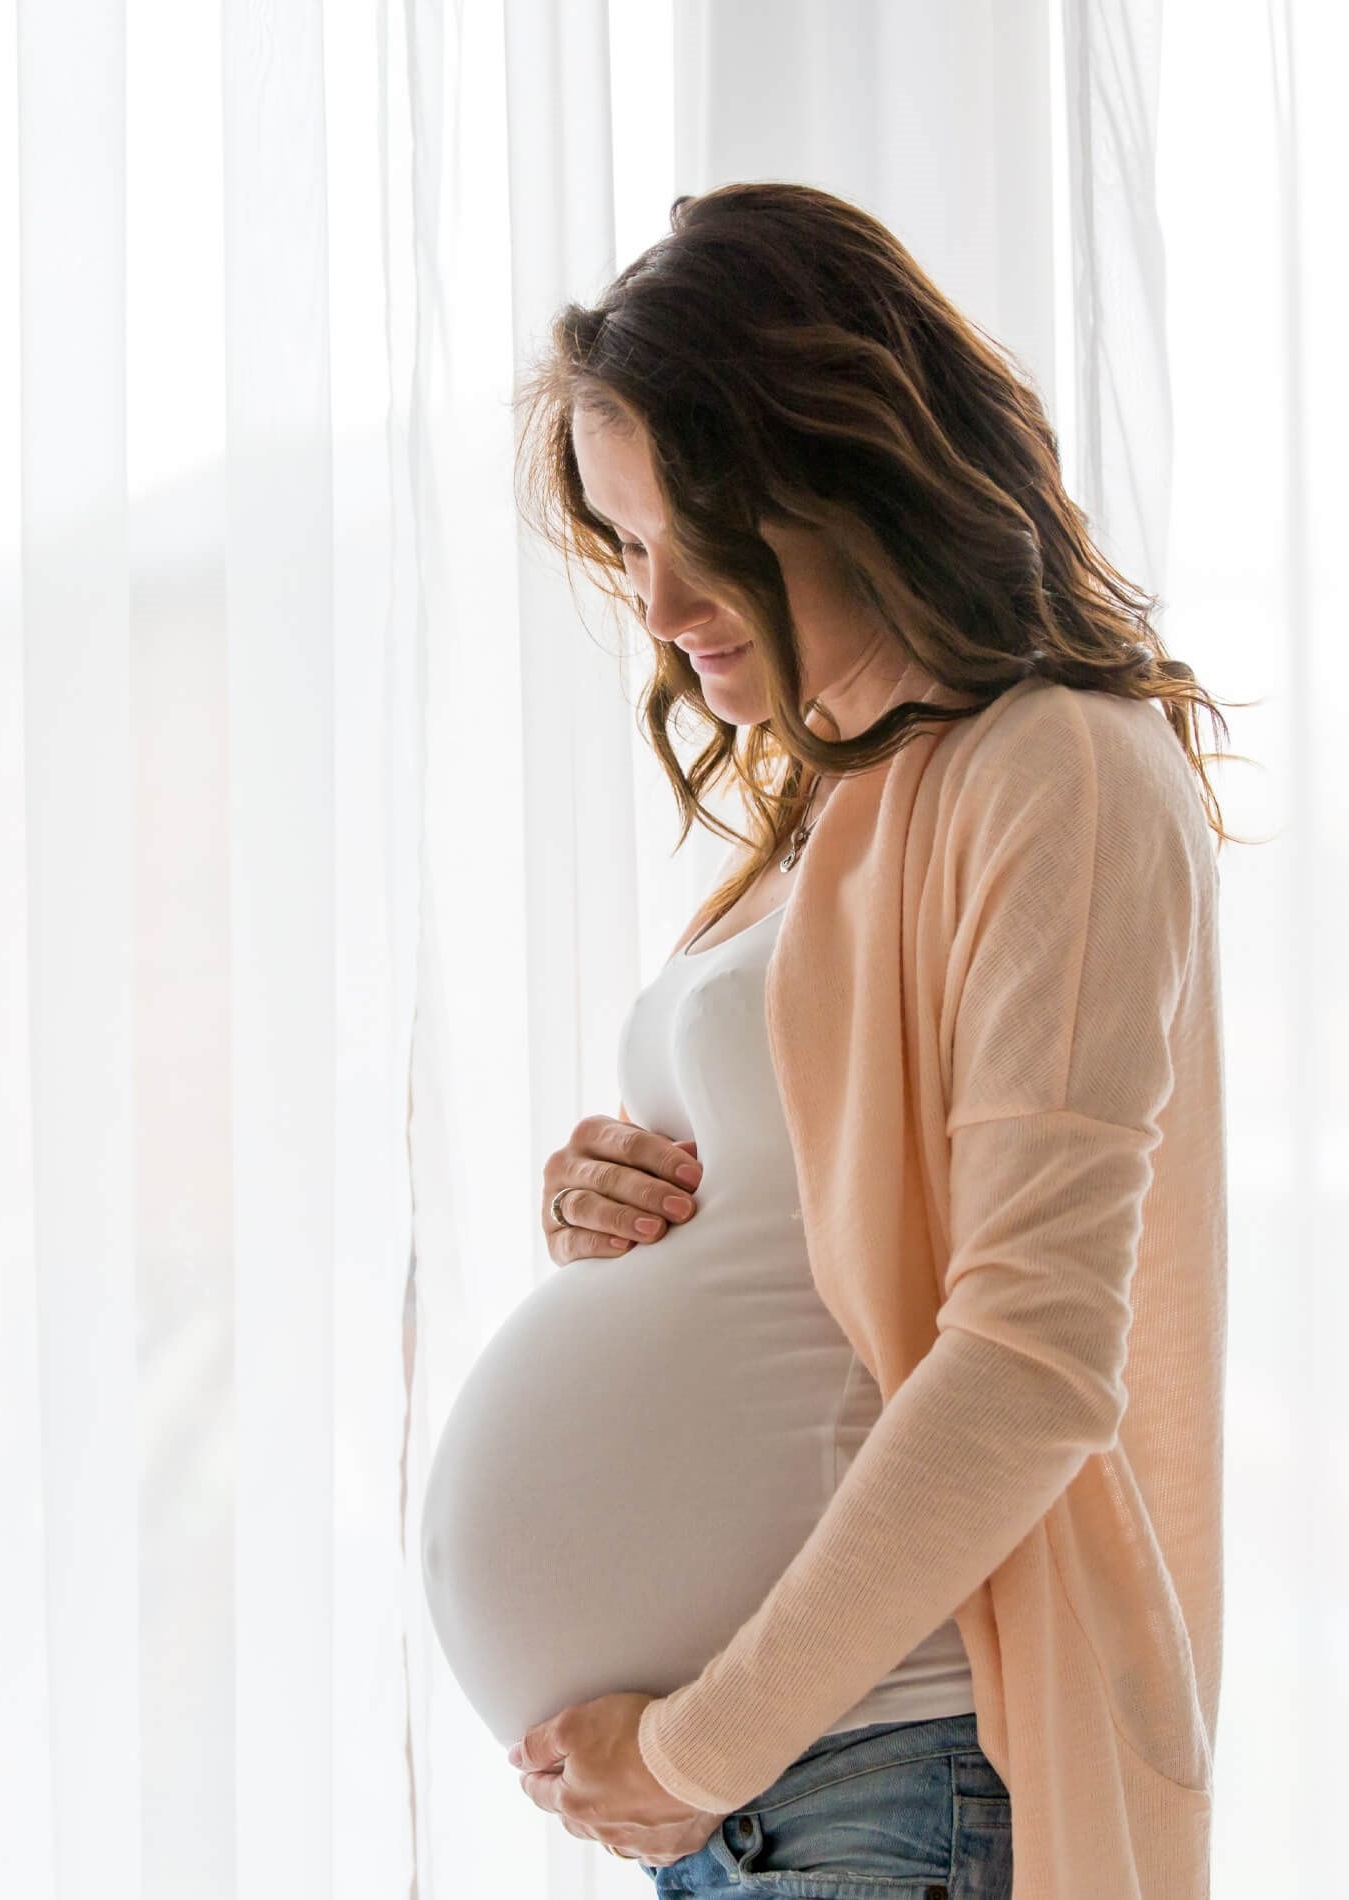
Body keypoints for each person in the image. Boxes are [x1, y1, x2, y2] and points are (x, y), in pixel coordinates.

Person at [417, 182, 1246, 1898]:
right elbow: (817, 1244)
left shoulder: (1060, 772)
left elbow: (1030, 1363)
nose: (650, 609)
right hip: (792, 1804)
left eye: (678, 533)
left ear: (834, 471)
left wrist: (695, 1745)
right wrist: (612, 1208)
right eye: (620, 545)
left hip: (891, 1768)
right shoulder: (838, 811)